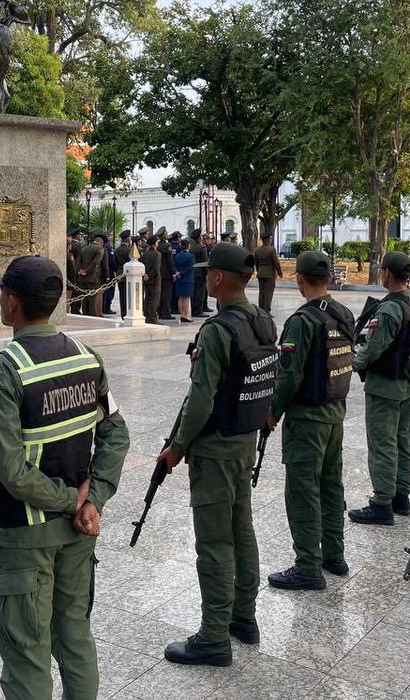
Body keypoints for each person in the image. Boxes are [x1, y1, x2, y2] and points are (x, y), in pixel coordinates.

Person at [0, 256, 129, 700]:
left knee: (27, 656)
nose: (1, 300)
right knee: (75, 638)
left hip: (25, 535)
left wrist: (72, 501)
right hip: (79, 533)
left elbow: (11, 470)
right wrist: (92, 500)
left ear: (13, 301)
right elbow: (116, 435)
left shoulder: (3, 371)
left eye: (3, 293)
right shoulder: (87, 358)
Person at [159, 242, 277, 666]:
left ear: (219, 279)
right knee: (241, 529)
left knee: (214, 542)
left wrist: (176, 448)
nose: (207, 278)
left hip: (216, 448)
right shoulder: (263, 320)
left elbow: (201, 401)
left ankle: (213, 636)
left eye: (211, 273)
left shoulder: (217, 330)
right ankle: (243, 617)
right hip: (244, 441)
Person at [264, 251, 354, 587]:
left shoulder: (302, 322)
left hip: (307, 420)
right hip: (335, 414)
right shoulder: (343, 313)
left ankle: (307, 566)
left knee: (303, 490)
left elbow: (288, 376)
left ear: (299, 279)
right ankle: (334, 555)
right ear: (328, 278)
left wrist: (273, 410)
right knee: (331, 486)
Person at [349, 250, 410, 526]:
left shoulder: (390, 308)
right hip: (404, 381)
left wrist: (354, 363)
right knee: (402, 441)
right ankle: (400, 497)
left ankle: (382, 503)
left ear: (388, 274)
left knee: (382, 444)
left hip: (384, 385)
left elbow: (373, 348)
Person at [74, 231, 106, 317]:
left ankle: (86, 315)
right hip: (94, 278)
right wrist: (87, 271)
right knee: (93, 299)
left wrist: (80, 270)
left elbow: (78, 261)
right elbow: (96, 263)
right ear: (101, 243)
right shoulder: (100, 249)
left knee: (85, 298)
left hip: (82, 278)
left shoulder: (84, 248)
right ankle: (93, 316)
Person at [253, 233, 283, 313]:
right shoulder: (271, 249)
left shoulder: (257, 250)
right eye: (270, 239)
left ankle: (261, 310)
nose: (270, 240)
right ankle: (266, 311)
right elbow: (276, 262)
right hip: (270, 274)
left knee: (261, 292)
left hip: (261, 274)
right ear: (267, 240)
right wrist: (280, 273)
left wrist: (259, 271)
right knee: (268, 293)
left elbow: (256, 263)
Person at [173, 238, 196, 323]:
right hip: (187, 279)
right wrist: (181, 273)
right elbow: (190, 268)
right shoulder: (190, 256)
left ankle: (182, 314)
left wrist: (177, 273)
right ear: (188, 246)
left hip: (179, 279)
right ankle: (186, 316)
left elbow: (174, 266)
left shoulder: (178, 256)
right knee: (186, 297)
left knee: (181, 297)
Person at [140, 237, 161, 325]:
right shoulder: (157, 254)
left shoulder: (145, 253)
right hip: (154, 279)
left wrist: (145, 274)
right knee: (154, 299)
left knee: (147, 298)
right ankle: (152, 317)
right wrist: (150, 275)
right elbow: (156, 268)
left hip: (146, 279)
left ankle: (146, 315)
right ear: (154, 243)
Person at [191, 229, 212, 317]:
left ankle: (193, 309)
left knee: (194, 292)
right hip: (200, 272)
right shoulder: (202, 247)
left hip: (193, 272)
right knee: (200, 292)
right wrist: (207, 273)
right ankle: (198, 311)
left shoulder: (192, 247)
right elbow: (205, 262)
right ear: (199, 237)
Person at [115, 230, 133, 319]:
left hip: (119, 273)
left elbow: (115, 263)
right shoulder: (129, 250)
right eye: (129, 237)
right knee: (127, 295)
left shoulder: (117, 250)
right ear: (127, 238)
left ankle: (123, 313)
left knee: (122, 295)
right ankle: (127, 313)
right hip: (128, 274)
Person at [158, 229, 175, 321]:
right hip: (166, 273)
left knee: (161, 293)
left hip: (160, 272)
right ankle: (166, 313)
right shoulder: (167, 245)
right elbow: (170, 261)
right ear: (164, 235)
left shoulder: (158, 244)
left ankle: (160, 312)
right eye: (166, 233)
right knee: (167, 294)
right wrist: (173, 272)